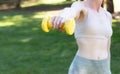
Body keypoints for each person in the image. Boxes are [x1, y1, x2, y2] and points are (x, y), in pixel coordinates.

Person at [51, 0, 113, 74]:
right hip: (82, 68)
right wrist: (62, 18)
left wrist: (107, 69)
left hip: (103, 68)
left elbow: (107, 49)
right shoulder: (81, 7)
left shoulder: (107, 15)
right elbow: (71, 11)